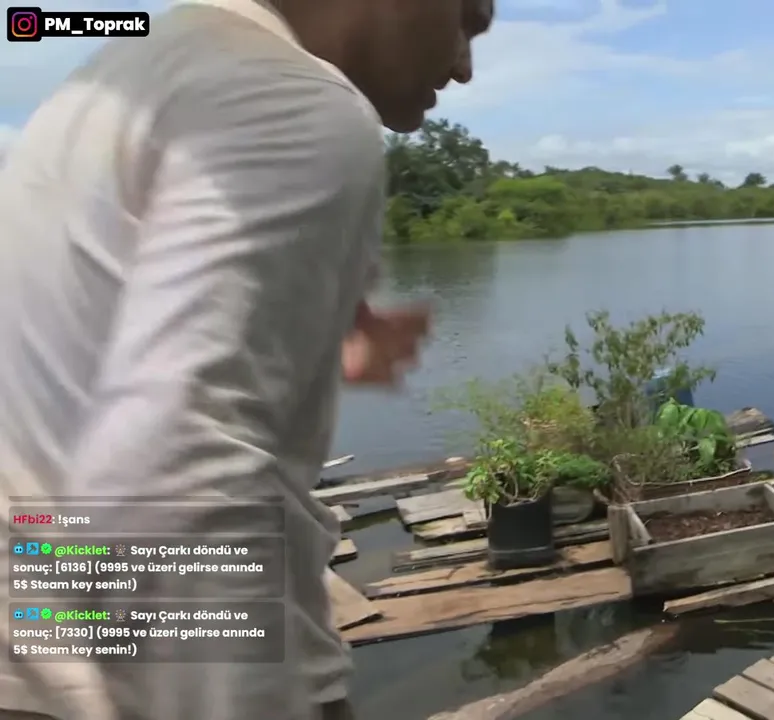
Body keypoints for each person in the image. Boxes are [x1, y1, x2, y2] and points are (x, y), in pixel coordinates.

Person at [0, 0, 493, 718]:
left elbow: (83, 345)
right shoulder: (294, 98)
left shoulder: (131, 74)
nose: (465, 64)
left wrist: (322, 344)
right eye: (468, 18)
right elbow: (172, 464)